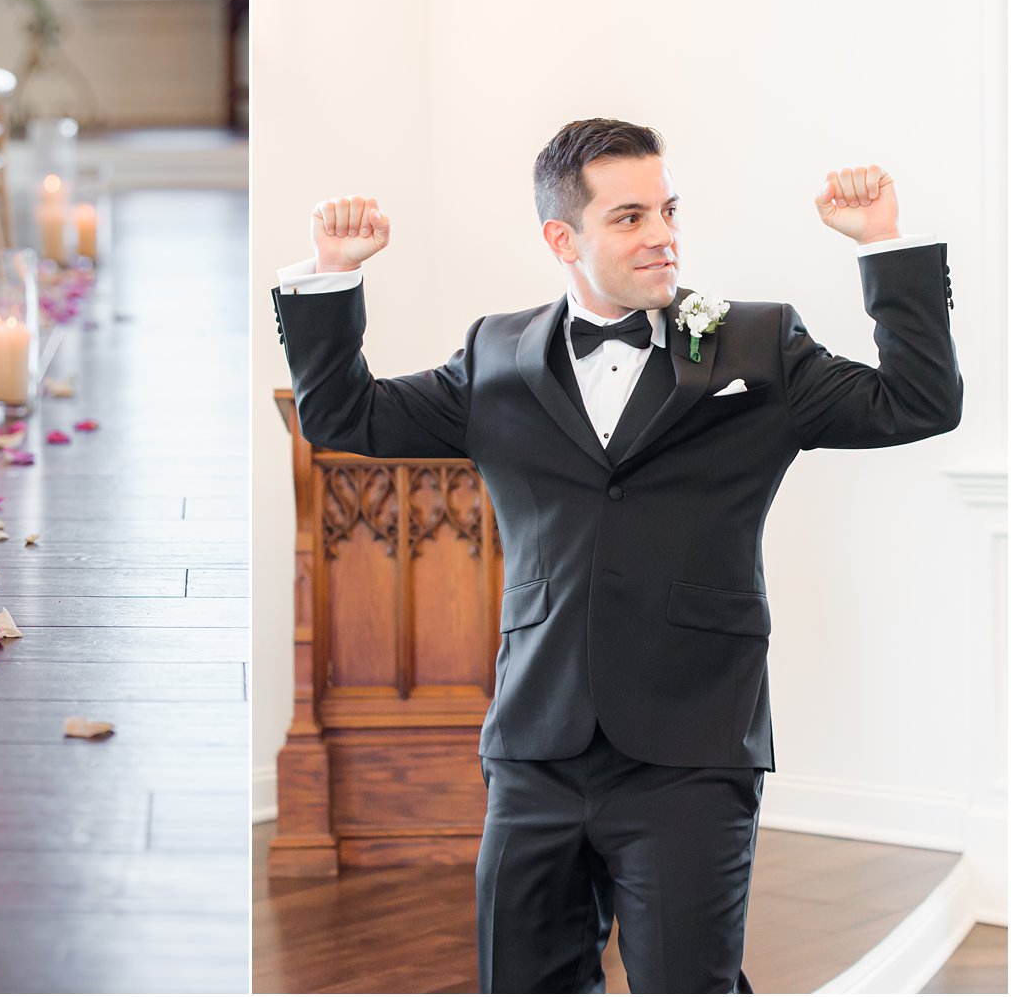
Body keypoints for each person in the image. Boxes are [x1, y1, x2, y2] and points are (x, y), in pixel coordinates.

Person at [271, 118, 962, 994]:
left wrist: (884, 244)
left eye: (667, 210)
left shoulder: (758, 347)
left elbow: (919, 402)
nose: (664, 235)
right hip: (535, 747)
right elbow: (346, 418)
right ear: (563, 238)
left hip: (692, 749)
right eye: (630, 217)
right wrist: (334, 276)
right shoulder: (494, 356)